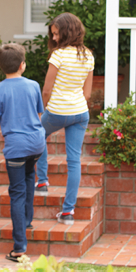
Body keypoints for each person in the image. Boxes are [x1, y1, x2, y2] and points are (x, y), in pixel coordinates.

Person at [0, 43, 46, 262]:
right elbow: (39, 115)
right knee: (30, 177)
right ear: (23, 65)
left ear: (2, 67)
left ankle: (19, 247)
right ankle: (27, 220)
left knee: (17, 192)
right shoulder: (33, 86)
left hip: (16, 147)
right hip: (36, 144)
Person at [35, 13, 95, 225]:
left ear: (68, 32)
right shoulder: (88, 56)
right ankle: (68, 212)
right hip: (80, 114)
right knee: (74, 161)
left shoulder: (58, 55)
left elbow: (47, 90)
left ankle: (42, 181)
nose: (55, 38)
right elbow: (87, 94)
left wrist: (42, 110)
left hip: (57, 111)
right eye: (53, 35)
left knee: (37, 136)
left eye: (57, 34)